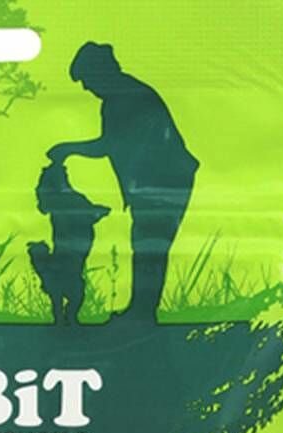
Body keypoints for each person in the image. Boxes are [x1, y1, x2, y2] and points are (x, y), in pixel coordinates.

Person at [48, 43, 199, 322]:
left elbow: (110, 144)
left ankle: (143, 313)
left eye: (87, 79)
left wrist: (68, 149)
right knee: (147, 246)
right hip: (155, 184)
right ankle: (141, 310)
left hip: (163, 184)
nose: (87, 88)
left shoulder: (126, 98)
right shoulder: (122, 96)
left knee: (150, 246)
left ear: (100, 72)